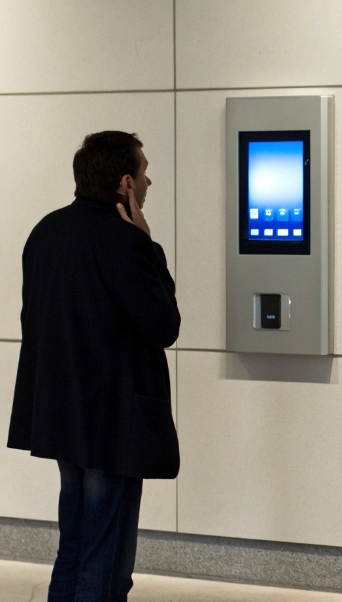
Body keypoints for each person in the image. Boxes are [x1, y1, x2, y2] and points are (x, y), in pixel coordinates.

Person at [7, 131, 180, 601]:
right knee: (106, 558)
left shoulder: (46, 231)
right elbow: (164, 325)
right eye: (144, 173)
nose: (149, 181)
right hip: (114, 423)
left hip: (63, 416)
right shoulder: (125, 242)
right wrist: (149, 245)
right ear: (126, 183)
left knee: (76, 543)